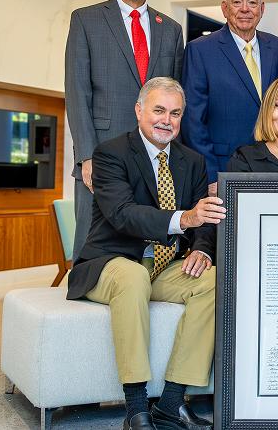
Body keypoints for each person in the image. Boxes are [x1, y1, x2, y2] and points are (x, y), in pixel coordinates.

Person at [66, 78, 224, 430]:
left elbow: (205, 222)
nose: (166, 120)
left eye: (175, 113)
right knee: (133, 275)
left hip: (165, 266)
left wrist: (201, 250)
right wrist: (184, 218)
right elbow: (123, 214)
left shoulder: (192, 161)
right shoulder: (110, 154)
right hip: (112, 262)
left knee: (214, 280)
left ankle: (171, 403)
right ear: (139, 111)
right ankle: (135, 408)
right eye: (158, 110)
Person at [65, 0, 185, 259]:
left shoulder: (171, 29)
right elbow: (77, 93)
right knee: (93, 245)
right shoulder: (86, 20)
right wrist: (87, 157)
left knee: (148, 245)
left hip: (155, 155)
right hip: (103, 151)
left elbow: (175, 97)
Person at [183, 0, 278, 194]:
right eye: (237, 2)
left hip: (277, 166)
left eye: (252, 3)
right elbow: (192, 120)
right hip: (224, 167)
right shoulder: (200, 50)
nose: (245, 9)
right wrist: (210, 175)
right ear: (225, 8)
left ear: (262, 9)